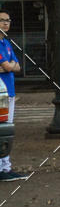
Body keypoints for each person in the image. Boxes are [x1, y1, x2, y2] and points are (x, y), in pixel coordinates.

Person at [0, 10, 27, 180]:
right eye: (2, 20)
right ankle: (4, 169)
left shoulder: (7, 44)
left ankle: (5, 167)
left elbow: (17, 66)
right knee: (3, 130)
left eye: (8, 20)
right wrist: (8, 66)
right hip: (1, 94)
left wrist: (8, 66)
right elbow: (10, 67)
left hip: (9, 92)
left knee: (6, 130)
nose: (5, 23)